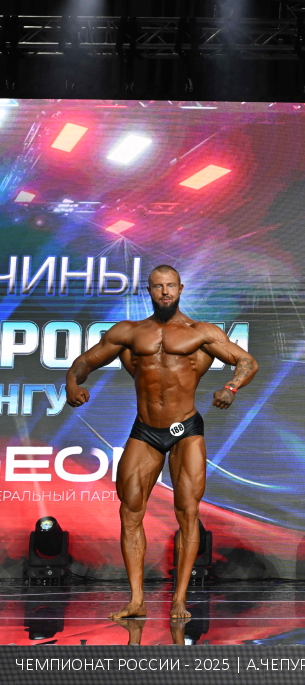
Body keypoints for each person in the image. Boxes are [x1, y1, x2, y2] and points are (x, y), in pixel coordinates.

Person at [65, 265, 258, 620]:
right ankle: (137, 599)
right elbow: (85, 361)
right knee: (130, 510)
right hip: (146, 430)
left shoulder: (201, 333)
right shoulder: (129, 332)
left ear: (181, 289)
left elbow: (246, 361)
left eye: (170, 286)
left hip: (186, 429)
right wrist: (72, 384)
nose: (165, 292)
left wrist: (231, 387)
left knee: (187, 512)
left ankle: (179, 600)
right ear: (149, 291)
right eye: (158, 286)